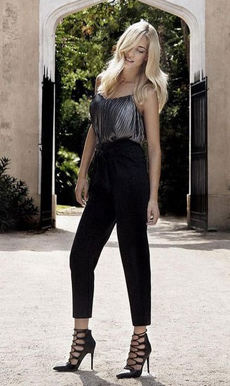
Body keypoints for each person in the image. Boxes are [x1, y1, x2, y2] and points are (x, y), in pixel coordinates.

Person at [53, 20, 168, 379]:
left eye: (141, 50)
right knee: (80, 256)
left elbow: (154, 148)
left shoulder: (147, 90)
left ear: (148, 56)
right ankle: (82, 337)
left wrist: (153, 196)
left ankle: (140, 340)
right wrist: (82, 173)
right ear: (122, 44)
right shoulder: (104, 81)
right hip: (103, 172)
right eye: (130, 45)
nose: (133, 53)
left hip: (131, 172)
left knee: (134, 256)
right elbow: (94, 129)